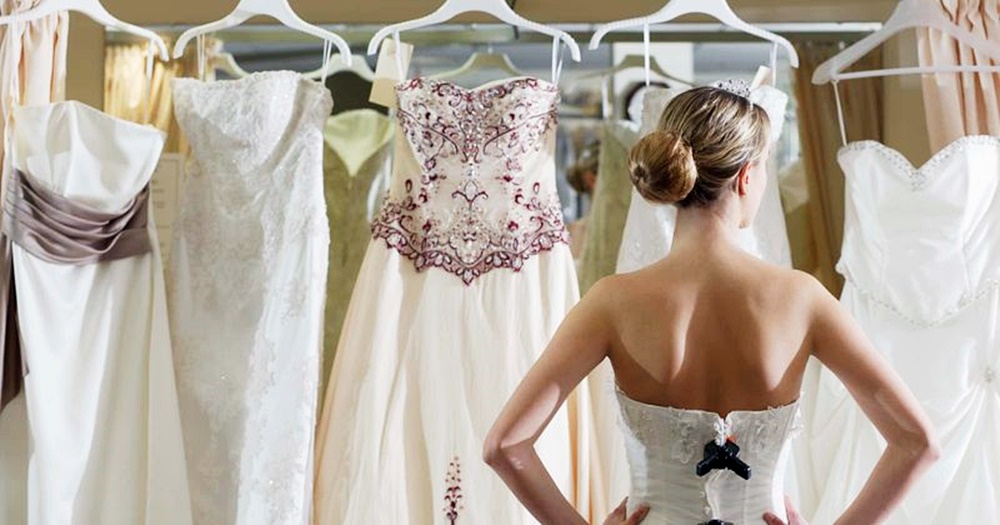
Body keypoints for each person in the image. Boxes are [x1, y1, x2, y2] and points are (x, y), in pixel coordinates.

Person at [483, 84, 939, 524]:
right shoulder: (802, 299)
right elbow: (917, 443)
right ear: (746, 177)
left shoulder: (611, 302)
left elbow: (504, 447)